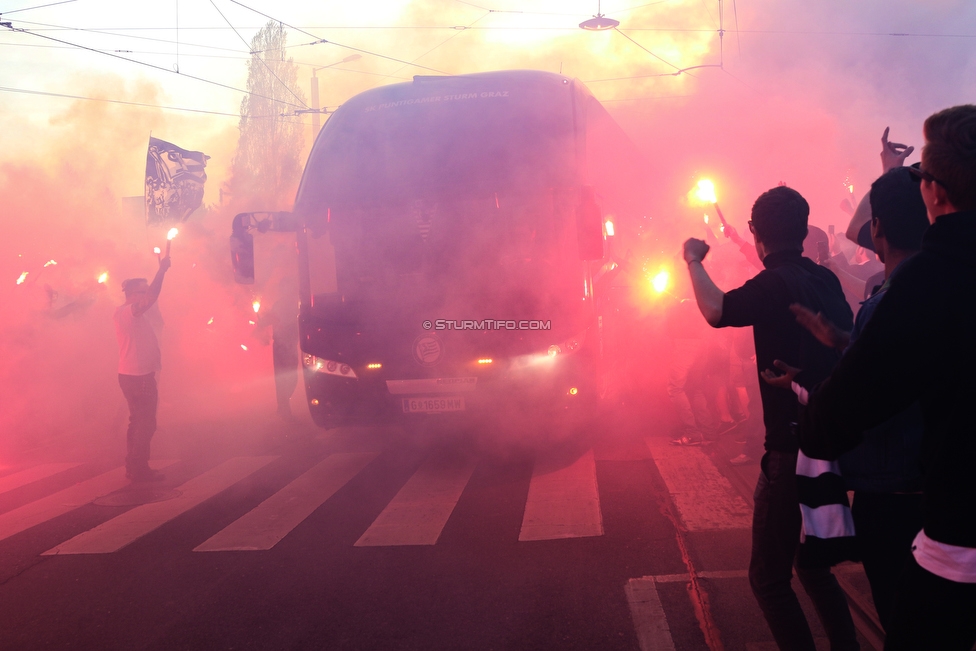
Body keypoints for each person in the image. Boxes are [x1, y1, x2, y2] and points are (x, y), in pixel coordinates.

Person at [799, 105, 976, 651]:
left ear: (936, 195)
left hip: (957, 540)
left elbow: (836, 418)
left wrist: (823, 397)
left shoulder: (926, 281)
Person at [683, 186, 858, 651]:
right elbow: (845, 345)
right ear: (803, 232)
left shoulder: (775, 282)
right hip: (825, 444)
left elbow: (717, 310)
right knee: (811, 565)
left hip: (790, 451)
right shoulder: (826, 281)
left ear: (757, 234)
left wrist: (693, 261)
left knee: (767, 578)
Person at [772, 164, 930, 631]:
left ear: (878, 228)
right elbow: (902, 364)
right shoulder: (940, 288)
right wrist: (846, 342)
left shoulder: (888, 300)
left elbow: (859, 399)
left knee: (904, 623)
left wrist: (804, 393)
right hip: (939, 485)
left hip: (894, 492)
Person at [114, 252, 171, 482]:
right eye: (143, 290)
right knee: (145, 423)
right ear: (132, 295)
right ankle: (138, 469)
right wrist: (161, 272)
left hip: (135, 375)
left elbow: (154, 310)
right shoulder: (128, 312)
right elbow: (150, 300)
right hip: (138, 377)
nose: (147, 294)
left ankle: (134, 466)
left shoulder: (135, 314)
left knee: (137, 421)